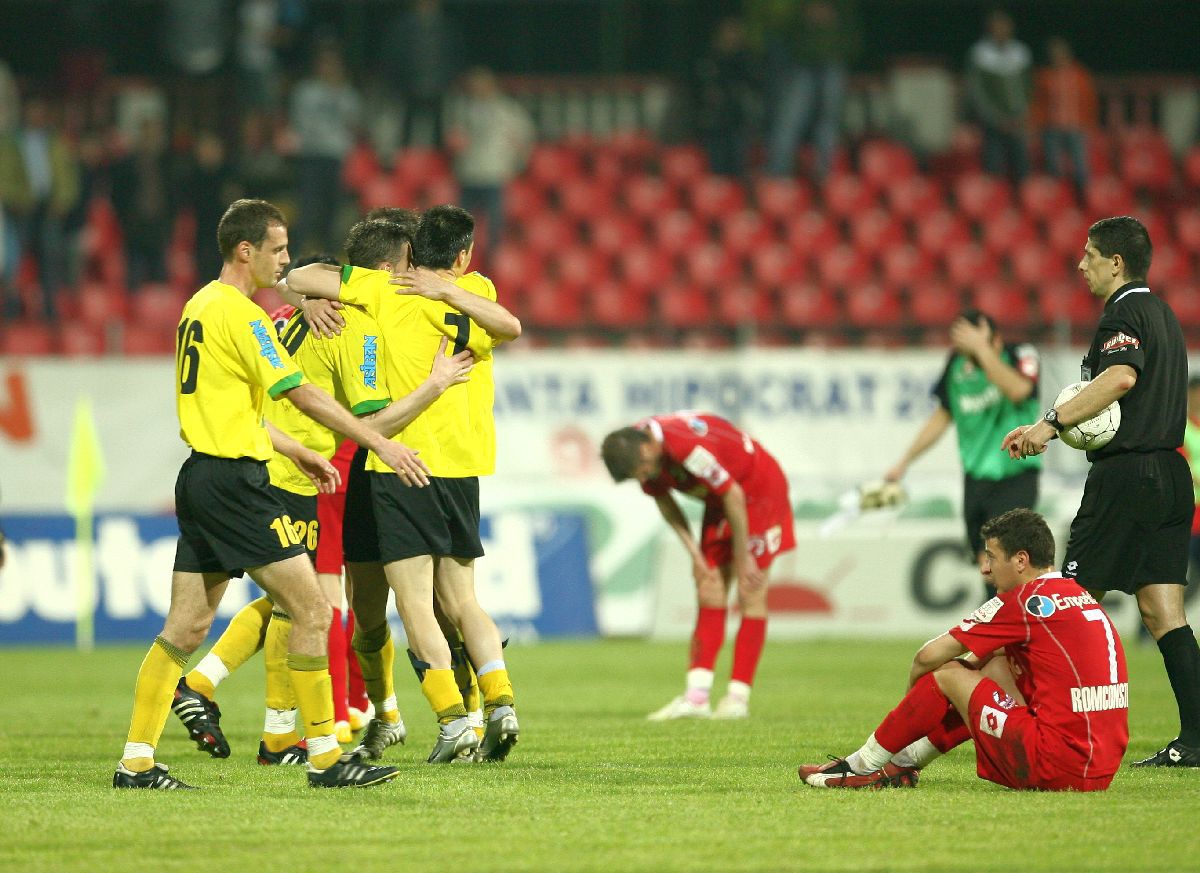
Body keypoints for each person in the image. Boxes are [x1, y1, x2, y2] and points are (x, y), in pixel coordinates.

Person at [112, 198, 429, 790]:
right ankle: (324, 757)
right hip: (237, 484)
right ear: (246, 250)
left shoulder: (197, 306)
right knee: (310, 609)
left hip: (201, 476)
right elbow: (302, 393)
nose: (286, 262)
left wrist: (298, 450)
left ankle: (135, 762)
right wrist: (377, 443)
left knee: (184, 628)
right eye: (280, 250)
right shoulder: (244, 315)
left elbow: (234, 408)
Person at [170, 241, 472, 762]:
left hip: (274, 461)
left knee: (295, 602)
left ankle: (261, 723)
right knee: (314, 604)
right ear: (382, 272)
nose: (415, 278)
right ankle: (297, 728)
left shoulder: (289, 310)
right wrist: (435, 385)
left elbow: (289, 281)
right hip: (300, 470)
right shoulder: (354, 328)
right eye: (408, 268)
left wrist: (298, 293)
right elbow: (372, 422)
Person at [282, 205, 522, 764]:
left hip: (400, 461)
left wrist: (313, 294)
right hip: (463, 465)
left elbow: (292, 274)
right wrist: (450, 291)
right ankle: (499, 702)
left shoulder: (381, 294)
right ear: (462, 257)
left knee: (411, 603)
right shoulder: (479, 289)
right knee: (460, 599)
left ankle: (451, 720)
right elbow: (510, 325)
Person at [1005, 215, 1200, 767]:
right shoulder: (1163, 314)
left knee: (1067, 601)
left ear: (1116, 262)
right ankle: (1198, 739)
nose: (1080, 264)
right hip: (1169, 472)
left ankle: (1055, 727)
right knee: (1165, 614)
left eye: (1090, 255)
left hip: (1127, 477)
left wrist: (1048, 424)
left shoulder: (1125, 311)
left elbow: (1119, 379)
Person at [799, 508, 1129, 791]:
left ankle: (863, 765)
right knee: (996, 665)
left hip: (1056, 765)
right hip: (1099, 770)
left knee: (946, 674)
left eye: (992, 558)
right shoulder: (1078, 594)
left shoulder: (1025, 601)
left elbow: (926, 657)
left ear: (1020, 560)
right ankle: (904, 762)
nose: (984, 569)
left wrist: (915, 707)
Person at [601, 412, 795, 720]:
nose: (643, 479)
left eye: (642, 471)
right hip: (721, 501)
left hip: (757, 491)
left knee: (749, 590)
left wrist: (743, 558)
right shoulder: (642, 453)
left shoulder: (687, 448)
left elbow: (733, 493)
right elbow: (665, 501)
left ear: (649, 448)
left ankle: (737, 699)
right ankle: (697, 697)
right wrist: (695, 555)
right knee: (709, 586)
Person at [886, 310, 1040, 599]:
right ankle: (1001, 633)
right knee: (985, 564)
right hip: (975, 478)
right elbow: (943, 416)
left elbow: (1019, 390)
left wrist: (982, 351)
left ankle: (1001, 635)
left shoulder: (1021, 354)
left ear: (993, 339)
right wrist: (904, 461)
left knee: (1007, 564)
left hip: (1015, 473)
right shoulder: (957, 366)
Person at [746, 0, 861, 180]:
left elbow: (851, 28)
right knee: (790, 118)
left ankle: (824, 174)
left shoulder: (843, 7)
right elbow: (782, 26)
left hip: (833, 60)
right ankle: (779, 171)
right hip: (802, 62)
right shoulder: (795, 9)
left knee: (828, 119)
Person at [448, 67, 534, 258]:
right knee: (462, 223)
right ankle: (460, 256)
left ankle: (493, 258)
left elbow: (524, 136)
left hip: (494, 174)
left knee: (495, 223)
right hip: (469, 173)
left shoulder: (507, 110)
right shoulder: (462, 109)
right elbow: (453, 138)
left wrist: (518, 163)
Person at [965, 9, 1032, 182]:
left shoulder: (1020, 52)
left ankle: (1020, 202)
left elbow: (1026, 87)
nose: (1001, 30)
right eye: (997, 27)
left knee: (1021, 165)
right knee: (993, 165)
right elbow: (977, 91)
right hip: (993, 121)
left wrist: (1022, 113)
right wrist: (995, 118)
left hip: (1017, 119)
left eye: (1005, 26)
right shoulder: (980, 53)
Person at [1032, 37, 1097, 197]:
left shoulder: (1080, 74)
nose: (1057, 56)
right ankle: (1058, 200)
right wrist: (1037, 124)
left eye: (1060, 52)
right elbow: (1038, 102)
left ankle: (1083, 200)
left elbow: (1089, 100)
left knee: (1080, 167)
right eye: (1054, 53)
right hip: (1052, 127)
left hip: (1076, 127)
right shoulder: (1044, 76)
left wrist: (1089, 124)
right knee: (1054, 168)